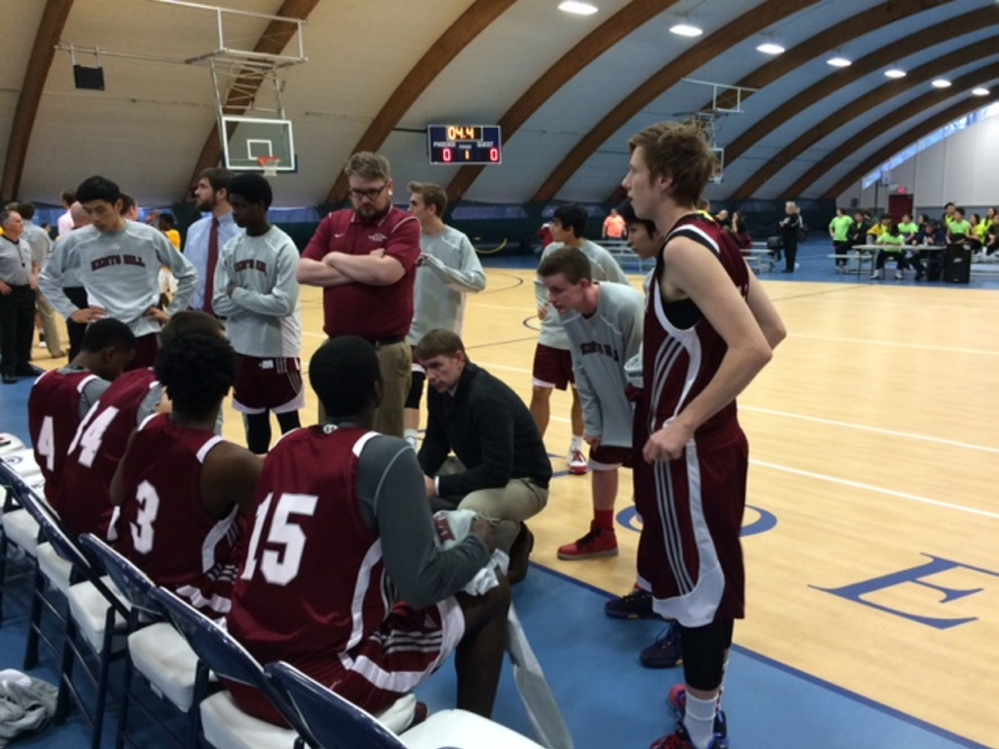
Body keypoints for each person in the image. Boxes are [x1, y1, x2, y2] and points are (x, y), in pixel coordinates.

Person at [226, 335, 510, 724]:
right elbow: (422, 585)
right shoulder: (386, 455)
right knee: (493, 588)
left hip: (238, 663)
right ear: (379, 390)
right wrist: (478, 544)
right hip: (313, 685)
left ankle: (397, 711)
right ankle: (473, 733)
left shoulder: (285, 445)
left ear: (318, 392)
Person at [623, 120, 786, 749]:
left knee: (699, 597)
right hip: (709, 444)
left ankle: (698, 731)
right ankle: (703, 698)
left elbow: (754, 347)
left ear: (663, 179)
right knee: (704, 585)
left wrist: (686, 420)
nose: (627, 180)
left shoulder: (684, 249)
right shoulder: (712, 236)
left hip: (692, 453)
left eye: (635, 169)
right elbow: (772, 328)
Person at [111, 333, 259, 616]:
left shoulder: (146, 428)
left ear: (165, 385)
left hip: (132, 572)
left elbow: (116, 495)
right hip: (186, 597)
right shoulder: (227, 461)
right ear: (227, 387)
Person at [59, 311, 225, 540]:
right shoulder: (171, 396)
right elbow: (190, 476)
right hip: (104, 526)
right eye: (222, 346)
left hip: (74, 511)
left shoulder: (131, 378)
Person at [297, 152, 420, 438]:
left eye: (372, 192)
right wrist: (365, 263)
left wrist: (333, 257)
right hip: (337, 349)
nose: (364, 200)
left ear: (388, 186)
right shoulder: (333, 222)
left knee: (384, 435)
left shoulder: (404, 225)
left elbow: (388, 273)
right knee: (331, 434)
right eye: (357, 193)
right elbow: (303, 272)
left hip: (384, 351)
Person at [416, 329, 552, 583]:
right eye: (425, 368)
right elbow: (436, 441)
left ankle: (493, 567)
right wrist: (418, 475)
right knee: (410, 475)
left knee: (472, 509)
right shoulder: (439, 390)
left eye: (436, 366)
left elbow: (497, 472)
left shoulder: (486, 397)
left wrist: (435, 486)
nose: (431, 376)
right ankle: (507, 531)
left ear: (459, 359)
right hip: (487, 471)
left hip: (526, 483)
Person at [537, 246, 643, 561]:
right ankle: (603, 534)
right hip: (610, 406)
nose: (551, 299)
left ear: (583, 284)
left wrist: (641, 422)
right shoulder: (568, 313)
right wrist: (593, 424)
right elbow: (580, 368)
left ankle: (658, 555)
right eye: (548, 290)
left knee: (650, 491)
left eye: (557, 290)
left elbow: (644, 369)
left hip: (643, 410)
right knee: (602, 464)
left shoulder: (627, 306)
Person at [38, 175, 198, 370]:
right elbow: (46, 279)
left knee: (147, 395)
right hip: (101, 334)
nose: (95, 218)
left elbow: (188, 274)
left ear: (118, 204)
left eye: (100, 210)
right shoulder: (75, 241)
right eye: (88, 212)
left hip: (145, 331)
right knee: (103, 396)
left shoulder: (147, 236)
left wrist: (173, 312)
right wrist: (70, 312)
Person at [531, 203, 628, 475]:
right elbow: (540, 282)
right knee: (539, 392)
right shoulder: (551, 251)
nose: (551, 228)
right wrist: (542, 304)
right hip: (551, 336)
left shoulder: (599, 257)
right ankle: (532, 449)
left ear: (570, 229)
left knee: (581, 394)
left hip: (584, 341)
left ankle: (576, 447)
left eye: (557, 224)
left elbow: (621, 289)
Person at [210, 173, 303, 455]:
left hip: (278, 350)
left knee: (290, 427)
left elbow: (283, 304)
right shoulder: (231, 248)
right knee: (255, 427)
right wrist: (259, 300)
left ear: (260, 205)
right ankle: (258, 486)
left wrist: (238, 294)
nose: (234, 213)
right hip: (241, 349)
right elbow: (217, 304)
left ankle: (297, 478)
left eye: (240, 206)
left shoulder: (284, 247)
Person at [403, 181, 486, 450]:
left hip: (445, 335)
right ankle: (409, 447)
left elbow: (477, 282)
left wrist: (438, 267)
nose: (408, 208)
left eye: (414, 203)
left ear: (432, 208)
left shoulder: (457, 241)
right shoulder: (407, 238)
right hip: (411, 331)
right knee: (411, 390)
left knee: (447, 395)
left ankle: (460, 444)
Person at [28, 318, 136, 517]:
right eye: (123, 365)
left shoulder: (42, 381)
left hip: (50, 488)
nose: (121, 373)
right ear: (110, 354)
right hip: (88, 506)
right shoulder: (100, 392)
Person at [186, 167, 240, 316]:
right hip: (198, 316)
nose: (197, 192)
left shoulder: (243, 232)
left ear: (221, 193)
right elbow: (188, 274)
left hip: (234, 318)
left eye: (203, 187)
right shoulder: (194, 230)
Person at [14, 202, 65, 358]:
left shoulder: (16, 233)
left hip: (21, 278)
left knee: (24, 316)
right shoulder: (42, 232)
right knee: (48, 314)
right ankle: (55, 350)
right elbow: (51, 252)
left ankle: (24, 352)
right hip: (42, 276)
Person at [0, 208, 42, 384]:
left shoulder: (25, 243)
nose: (21, 224)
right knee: (8, 329)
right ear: (7, 225)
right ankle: (8, 368)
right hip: (8, 291)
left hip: (26, 290)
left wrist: (34, 276)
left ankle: (23, 363)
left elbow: (34, 263)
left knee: (26, 328)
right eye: (17, 221)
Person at [777, 201, 801, 273]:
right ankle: (787, 267)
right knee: (786, 253)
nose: (786, 209)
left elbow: (793, 226)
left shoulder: (795, 217)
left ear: (791, 209)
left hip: (792, 238)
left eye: (787, 208)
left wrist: (785, 225)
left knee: (791, 253)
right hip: (785, 237)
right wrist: (781, 226)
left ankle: (791, 267)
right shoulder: (786, 217)